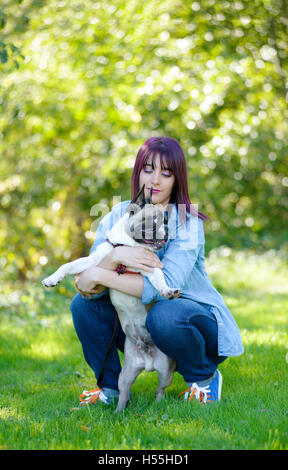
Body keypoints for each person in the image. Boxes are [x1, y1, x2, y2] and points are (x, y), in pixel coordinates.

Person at [71, 136, 244, 406]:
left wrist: (99, 273)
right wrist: (115, 255)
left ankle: (204, 379)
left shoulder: (187, 221)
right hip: (140, 325)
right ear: (138, 172)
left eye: (166, 173)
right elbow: (87, 287)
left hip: (191, 323)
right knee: (83, 307)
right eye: (148, 170)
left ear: (177, 180)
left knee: (163, 313)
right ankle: (110, 388)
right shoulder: (117, 215)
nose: (155, 181)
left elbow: (164, 288)